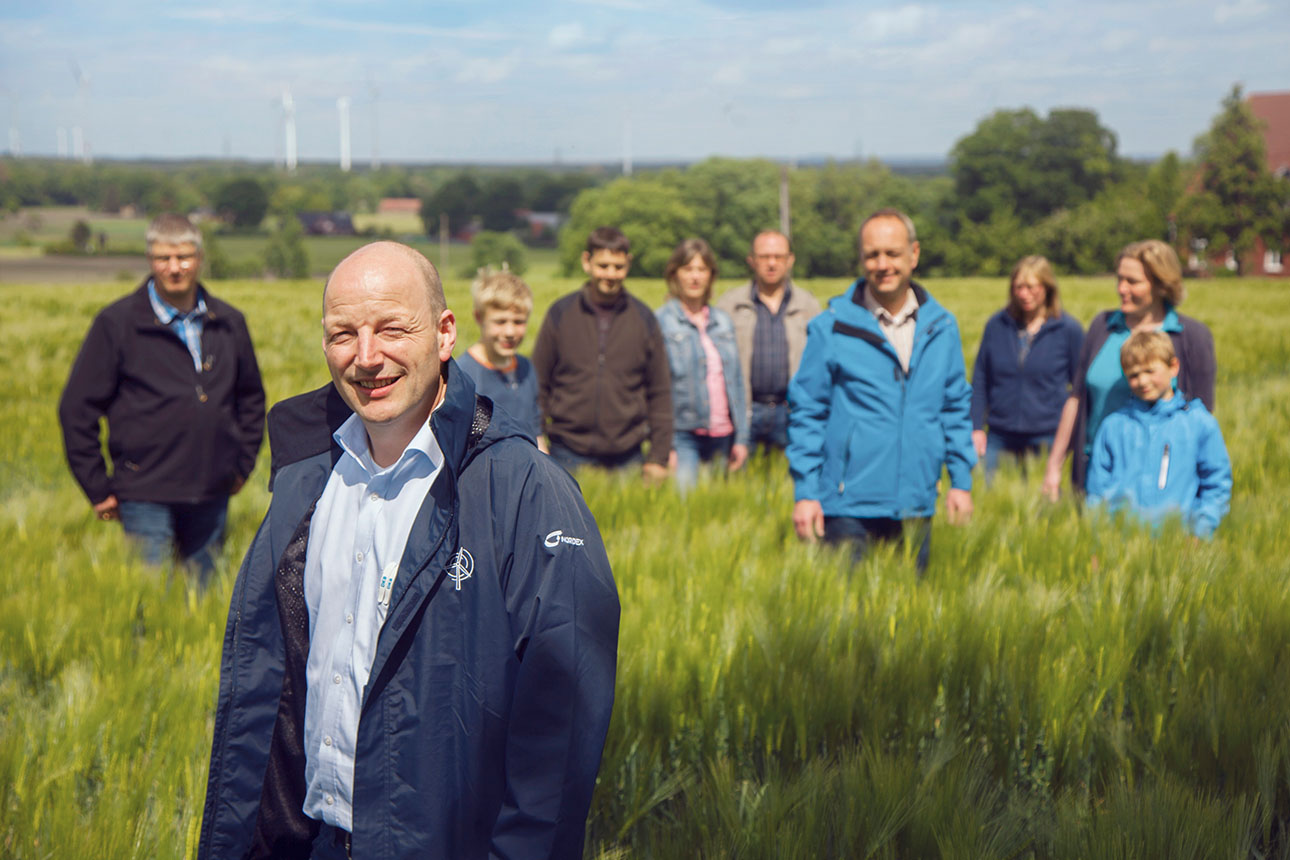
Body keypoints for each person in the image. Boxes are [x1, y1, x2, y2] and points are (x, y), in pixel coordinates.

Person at [197, 242, 619, 860]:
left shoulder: (523, 488)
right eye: (345, 334)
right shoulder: (307, 477)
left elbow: (563, 717)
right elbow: (275, 689)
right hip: (309, 839)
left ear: (445, 333)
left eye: (393, 328)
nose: (367, 357)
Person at [57, 213, 265, 580]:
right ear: (150, 260)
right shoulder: (117, 323)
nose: (174, 268)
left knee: (204, 602)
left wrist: (241, 465)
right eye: (163, 258)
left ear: (200, 258)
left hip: (211, 489)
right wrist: (96, 486)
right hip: (143, 493)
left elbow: (250, 399)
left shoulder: (229, 321)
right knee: (151, 603)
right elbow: (77, 409)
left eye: (184, 257)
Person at [788, 209, 974, 572]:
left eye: (892, 253)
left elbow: (955, 407)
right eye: (872, 254)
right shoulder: (832, 329)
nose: (882, 264)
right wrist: (806, 493)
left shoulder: (942, 327)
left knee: (909, 618)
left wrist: (961, 481)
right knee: (846, 621)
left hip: (916, 502)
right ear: (861, 259)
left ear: (914, 255)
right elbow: (807, 413)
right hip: (846, 508)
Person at [1043, 240, 1216, 499]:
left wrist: (1202, 497)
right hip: (1094, 472)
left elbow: (1202, 418)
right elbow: (1077, 398)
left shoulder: (1192, 337)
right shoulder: (1102, 327)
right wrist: (1054, 465)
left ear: (1161, 284)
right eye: (1119, 279)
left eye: (1132, 281)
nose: (1121, 288)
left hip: (1162, 483)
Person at [532, 226, 671, 483]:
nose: (610, 274)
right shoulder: (561, 314)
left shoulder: (643, 318)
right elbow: (538, 383)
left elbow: (660, 390)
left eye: (618, 267)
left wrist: (658, 457)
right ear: (587, 262)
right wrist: (538, 437)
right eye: (603, 265)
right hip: (566, 452)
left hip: (627, 456)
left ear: (628, 265)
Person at [1087, 331, 1231, 538]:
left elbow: (1216, 484)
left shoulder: (1199, 424)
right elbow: (1096, 491)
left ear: (1173, 367)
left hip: (1179, 544)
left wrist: (1201, 532)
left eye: (1149, 371)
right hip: (1120, 543)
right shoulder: (1113, 426)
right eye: (1133, 375)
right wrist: (1096, 537)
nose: (1143, 381)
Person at [970, 255, 1084, 480]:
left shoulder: (1068, 330)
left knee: (1045, 506)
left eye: (1031, 287)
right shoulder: (997, 325)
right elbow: (981, 377)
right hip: (1000, 434)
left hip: (1048, 434)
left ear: (1047, 288)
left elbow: (1079, 386)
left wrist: (1071, 435)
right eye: (1018, 287)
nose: (1023, 294)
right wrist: (975, 426)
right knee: (990, 498)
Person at [654, 238, 749, 492]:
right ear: (675, 274)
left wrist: (741, 438)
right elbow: (656, 387)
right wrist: (664, 446)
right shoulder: (661, 322)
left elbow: (736, 382)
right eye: (688, 269)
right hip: (683, 435)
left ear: (711, 275)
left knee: (721, 508)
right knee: (685, 506)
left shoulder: (723, 322)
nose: (695, 277)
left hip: (724, 435)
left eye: (701, 269)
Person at [715, 230, 821, 453]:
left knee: (790, 483)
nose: (772, 264)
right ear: (751, 261)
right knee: (739, 483)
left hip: (791, 411)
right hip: (744, 411)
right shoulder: (729, 305)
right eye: (764, 257)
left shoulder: (809, 306)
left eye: (778, 257)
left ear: (790, 260)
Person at [457, 269, 547, 452]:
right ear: (479, 318)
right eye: (500, 322)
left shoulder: (526, 368)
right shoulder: (463, 375)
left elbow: (536, 432)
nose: (510, 332)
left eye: (518, 322)